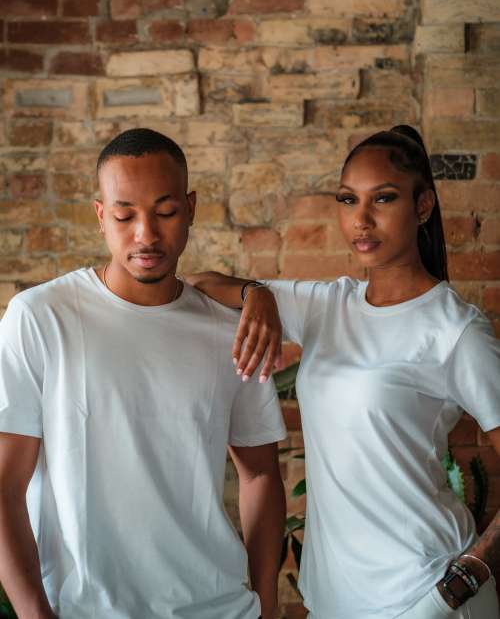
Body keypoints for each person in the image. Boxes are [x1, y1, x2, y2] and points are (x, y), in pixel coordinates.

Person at [188, 125, 500, 619]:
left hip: (426, 595)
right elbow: (200, 284)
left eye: (384, 199)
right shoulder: (327, 306)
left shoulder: (455, 330)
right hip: (334, 600)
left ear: (422, 207)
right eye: (348, 200)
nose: (362, 219)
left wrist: (465, 580)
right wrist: (259, 293)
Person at [0, 128, 287, 619]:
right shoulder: (41, 318)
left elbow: (260, 470)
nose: (146, 235)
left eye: (166, 212)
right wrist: (34, 614)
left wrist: (265, 603)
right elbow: (4, 484)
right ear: (99, 216)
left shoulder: (226, 330)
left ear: (191, 207)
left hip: (219, 607)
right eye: (124, 214)